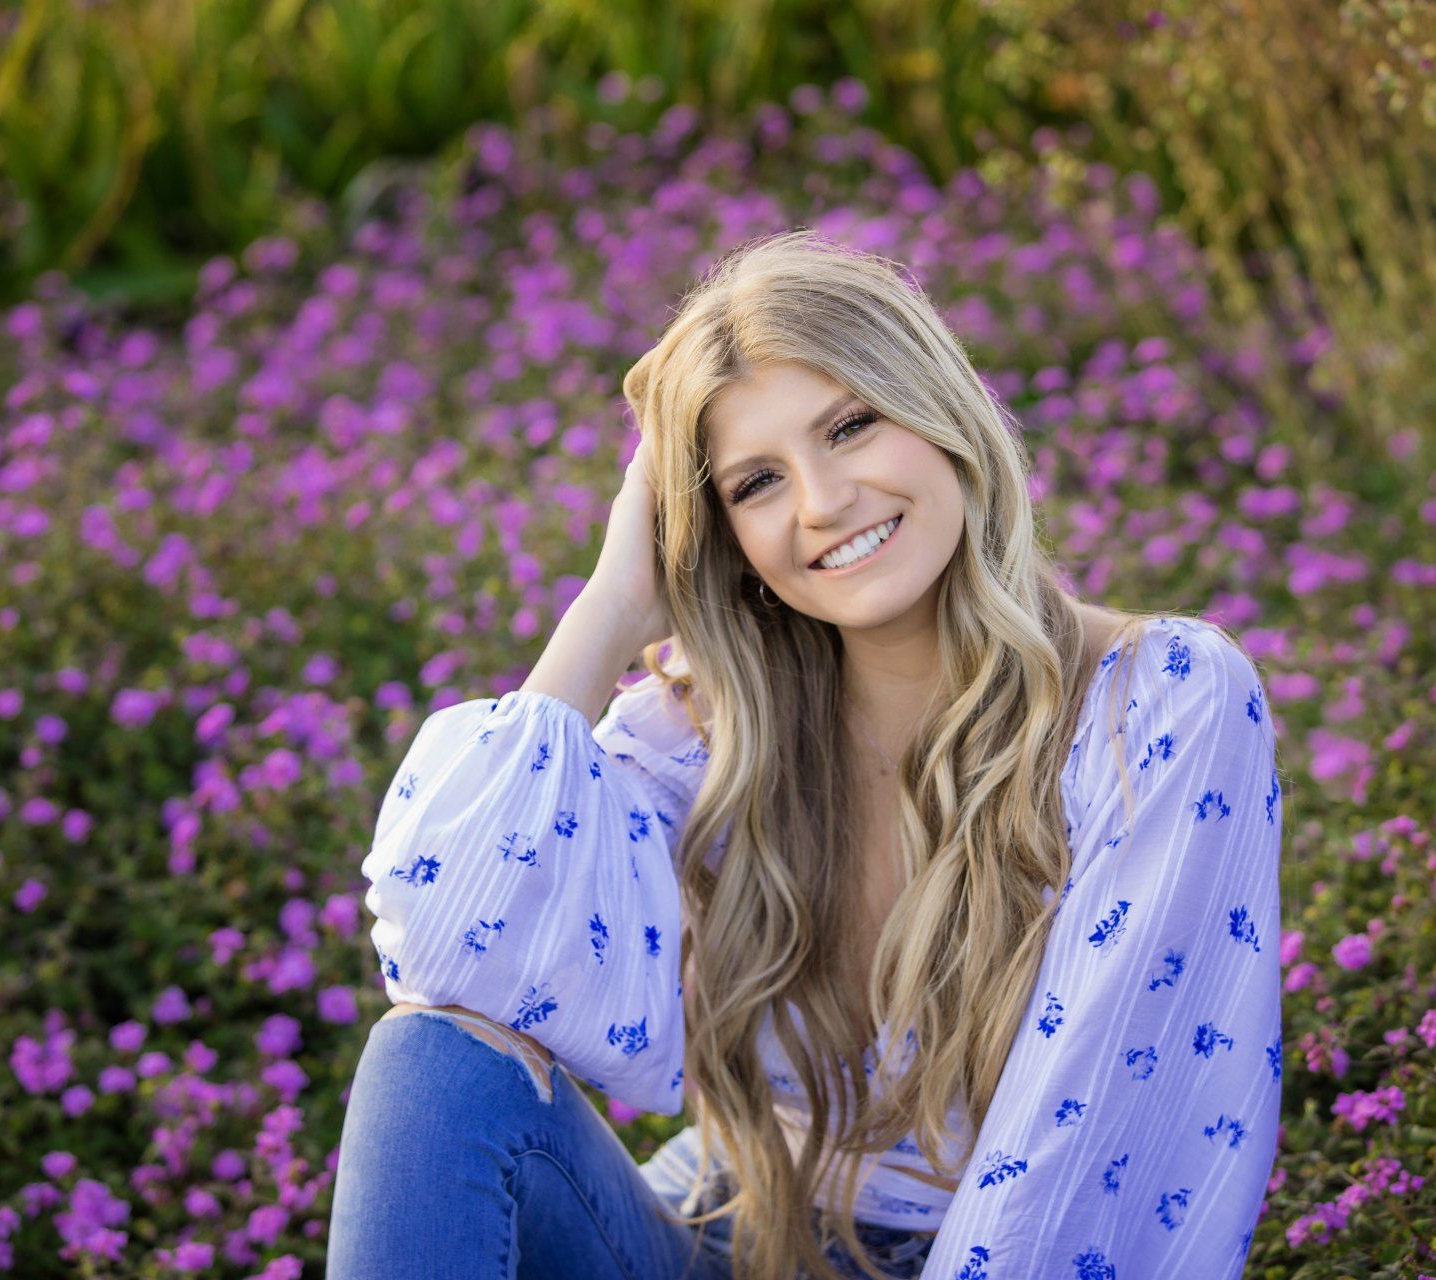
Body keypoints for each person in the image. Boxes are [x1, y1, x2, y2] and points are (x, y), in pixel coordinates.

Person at [326, 229, 1285, 1280]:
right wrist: (613, 605)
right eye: (757, 484)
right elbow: (446, 954)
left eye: (850, 425)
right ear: (721, 534)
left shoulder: (1155, 701)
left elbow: (1096, 1143)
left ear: (940, 410)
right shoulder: (704, 736)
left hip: (969, 1255)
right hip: (727, 1230)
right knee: (428, 1061)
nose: (823, 502)